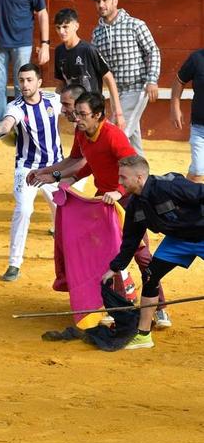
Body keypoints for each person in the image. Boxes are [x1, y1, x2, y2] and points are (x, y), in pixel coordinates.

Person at [28, 92, 172, 327]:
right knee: (102, 253)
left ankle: (161, 307)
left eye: (83, 114)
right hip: (103, 201)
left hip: (129, 200)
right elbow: (81, 162)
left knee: (141, 254)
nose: (77, 118)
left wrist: (117, 191)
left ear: (98, 115)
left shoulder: (113, 135)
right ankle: (114, 306)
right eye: (77, 114)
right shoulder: (82, 133)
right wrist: (49, 174)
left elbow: (134, 170)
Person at [101, 156, 203, 349]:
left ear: (139, 178)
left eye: (123, 178)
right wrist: (115, 268)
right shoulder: (134, 205)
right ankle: (143, 335)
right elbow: (130, 241)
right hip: (178, 240)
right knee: (150, 276)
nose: (120, 183)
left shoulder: (169, 187)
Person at [0, 64, 63, 281]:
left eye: (29, 80)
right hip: (28, 168)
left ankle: (66, 254)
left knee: (62, 212)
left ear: (39, 82)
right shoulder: (17, 106)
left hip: (55, 167)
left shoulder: (53, 100)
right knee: (24, 210)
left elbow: (73, 112)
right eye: (21, 80)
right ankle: (14, 263)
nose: (24, 85)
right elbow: (8, 123)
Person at [91, 0, 161, 156]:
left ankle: (81, 181)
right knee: (132, 140)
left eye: (104, 0)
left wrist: (152, 79)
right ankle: (144, 178)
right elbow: (96, 67)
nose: (101, 5)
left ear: (115, 1)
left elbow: (153, 51)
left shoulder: (135, 25)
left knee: (116, 134)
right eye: (98, 1)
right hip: (117, 94)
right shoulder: (97, 33)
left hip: (137, 88)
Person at [53, 8, 124, 130]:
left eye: (65, 27)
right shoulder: (59, 51)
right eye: (58, 27)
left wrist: (118, 111)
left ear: (76, 26)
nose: (61, 31)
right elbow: (61, 83)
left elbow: (109, 77)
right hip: (75, 109)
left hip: (93, 110)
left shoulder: (88, 50)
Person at [0, 0, 49, 122]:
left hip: (22, 43)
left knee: (22, 85)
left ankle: (20, 124)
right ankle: (0, 125)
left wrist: (45, 44)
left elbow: (42, 12)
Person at [170, 47, 204, 183]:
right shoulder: (197, 58)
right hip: (200, 128)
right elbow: (179, 81)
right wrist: (175, 107)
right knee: (198, 171)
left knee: (196, 170)